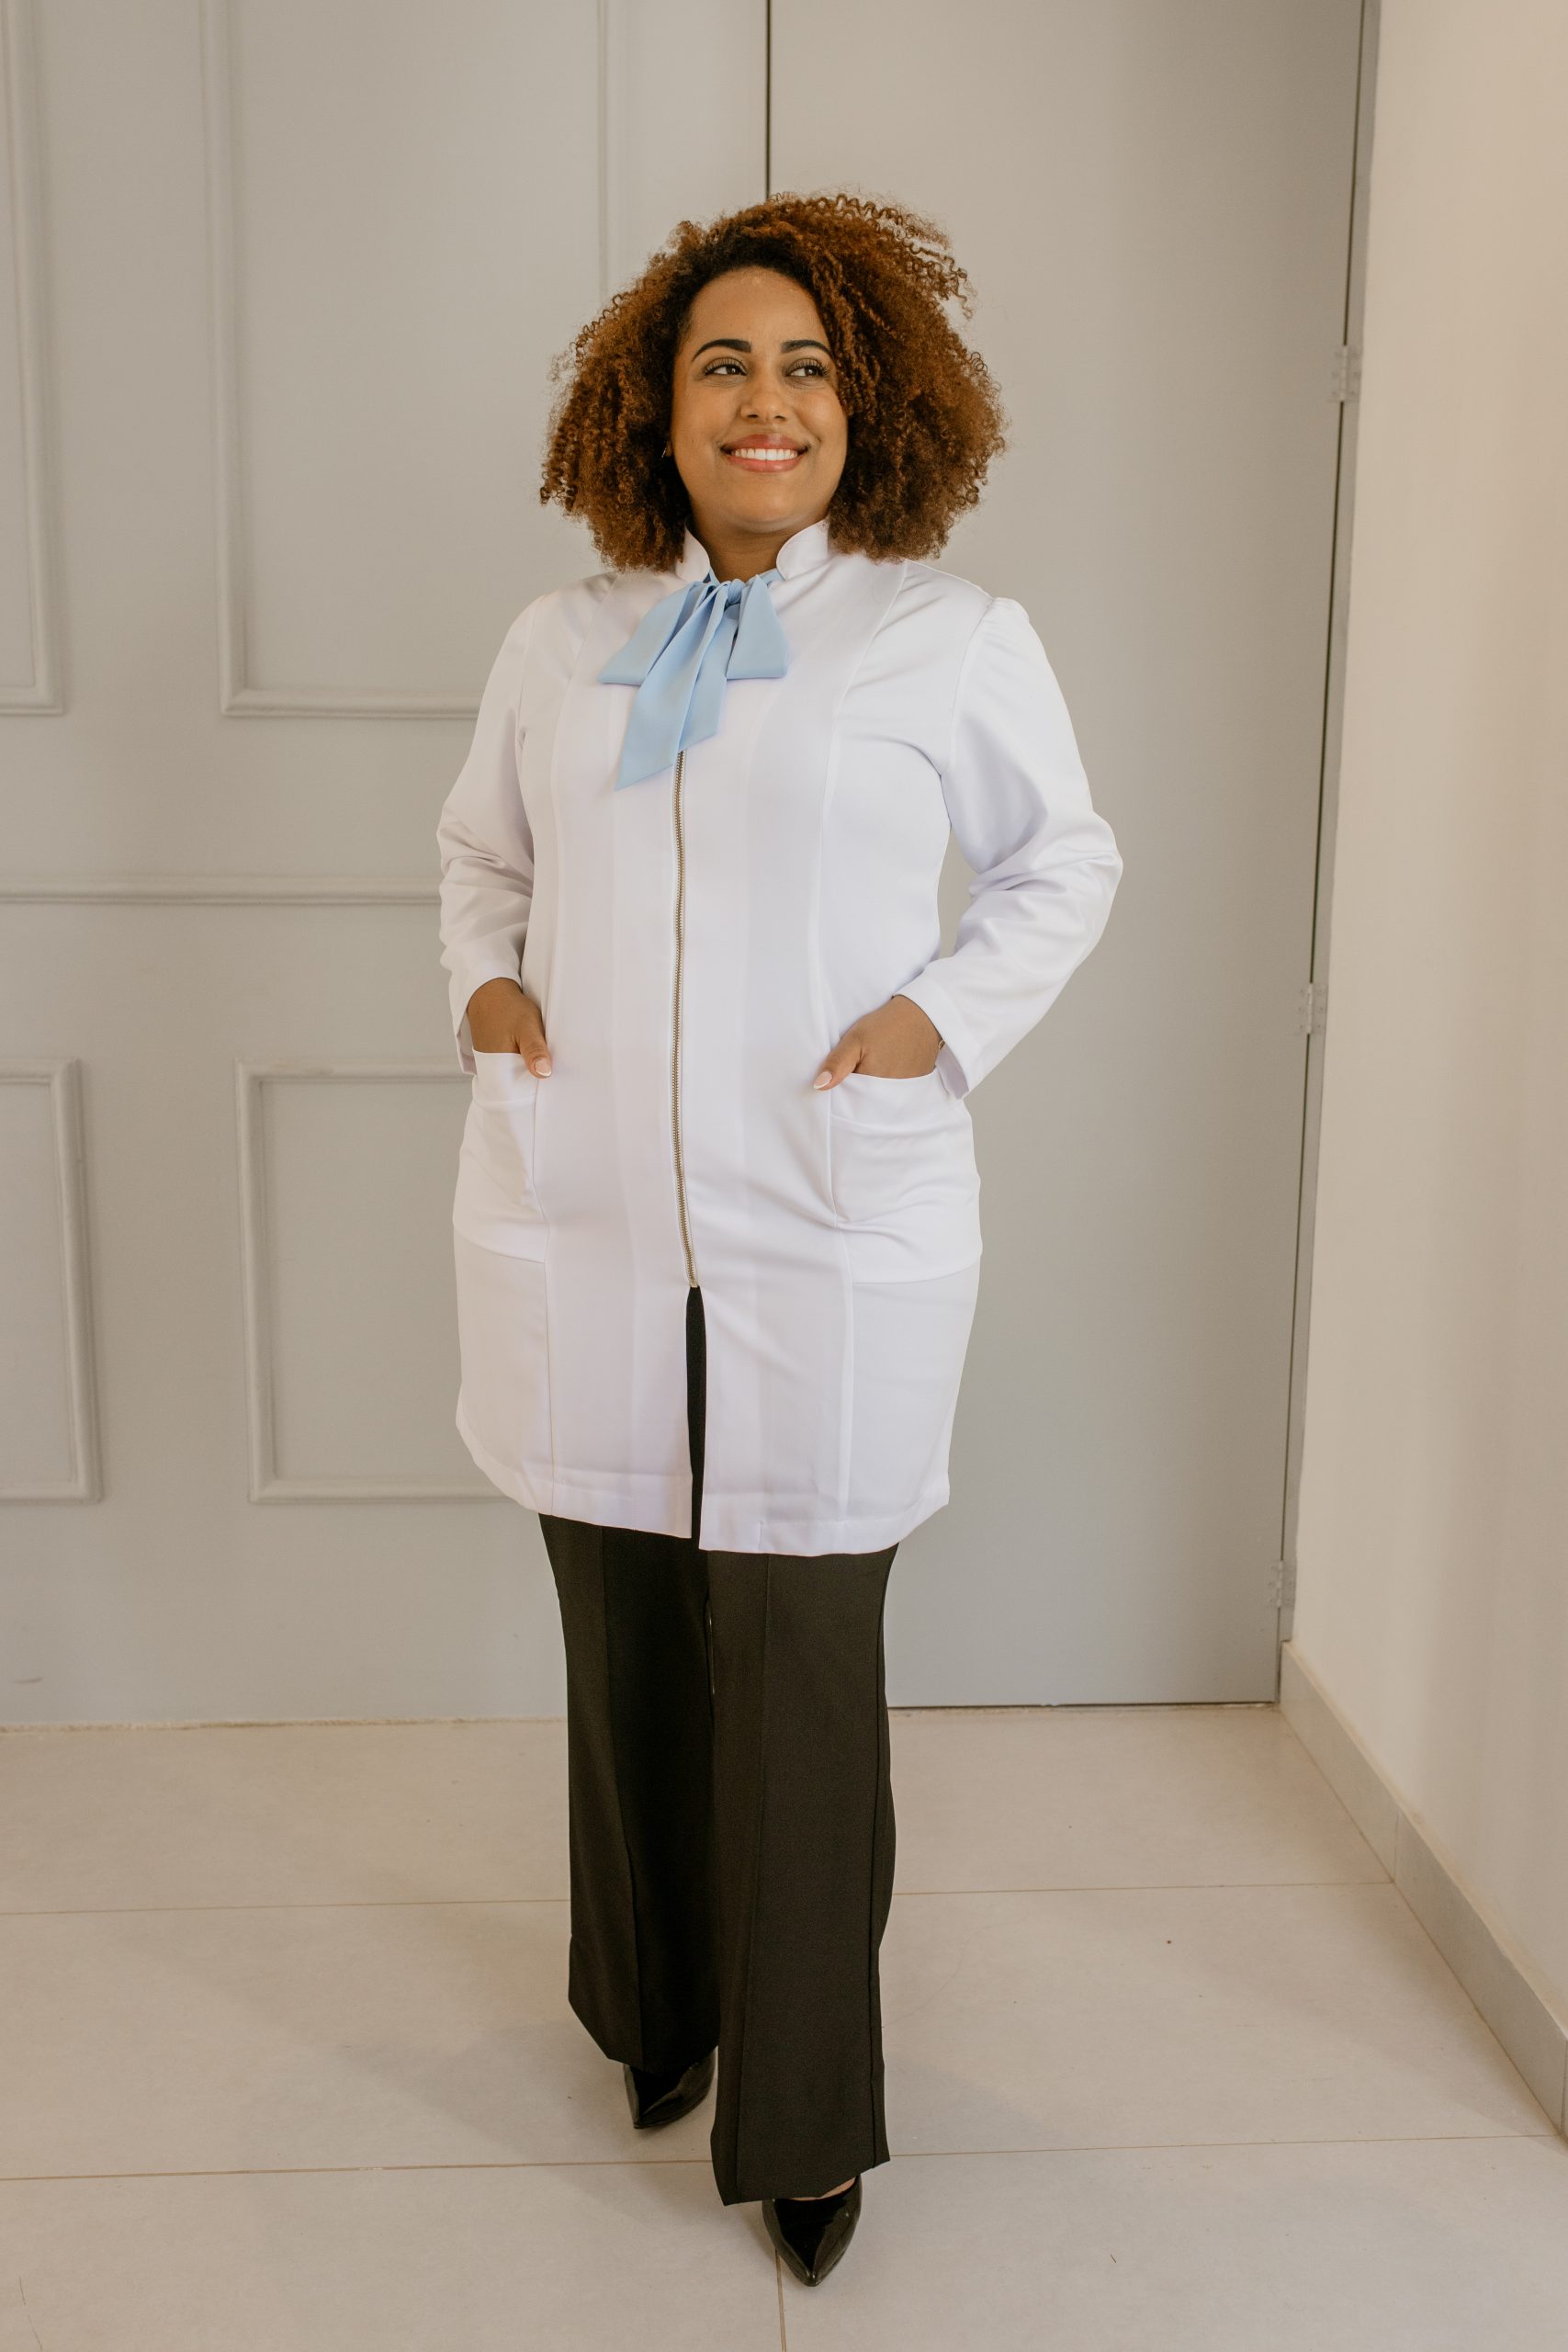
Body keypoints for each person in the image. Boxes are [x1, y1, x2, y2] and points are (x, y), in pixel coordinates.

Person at [435, 192, 1122, 2286]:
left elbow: (1062, 863)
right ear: (651, 409)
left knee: (803, 1667)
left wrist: (935, 1024)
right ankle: (654, 2006)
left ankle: (806, 2109)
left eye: (806, 366)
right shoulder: (561, 639)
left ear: (867, 402)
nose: (766, 401)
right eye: (722, 363)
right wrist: (489, 992)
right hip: (589, 1215)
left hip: (828, 1220)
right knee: (623, 1628)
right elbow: (479, 858)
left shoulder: (945, 635)